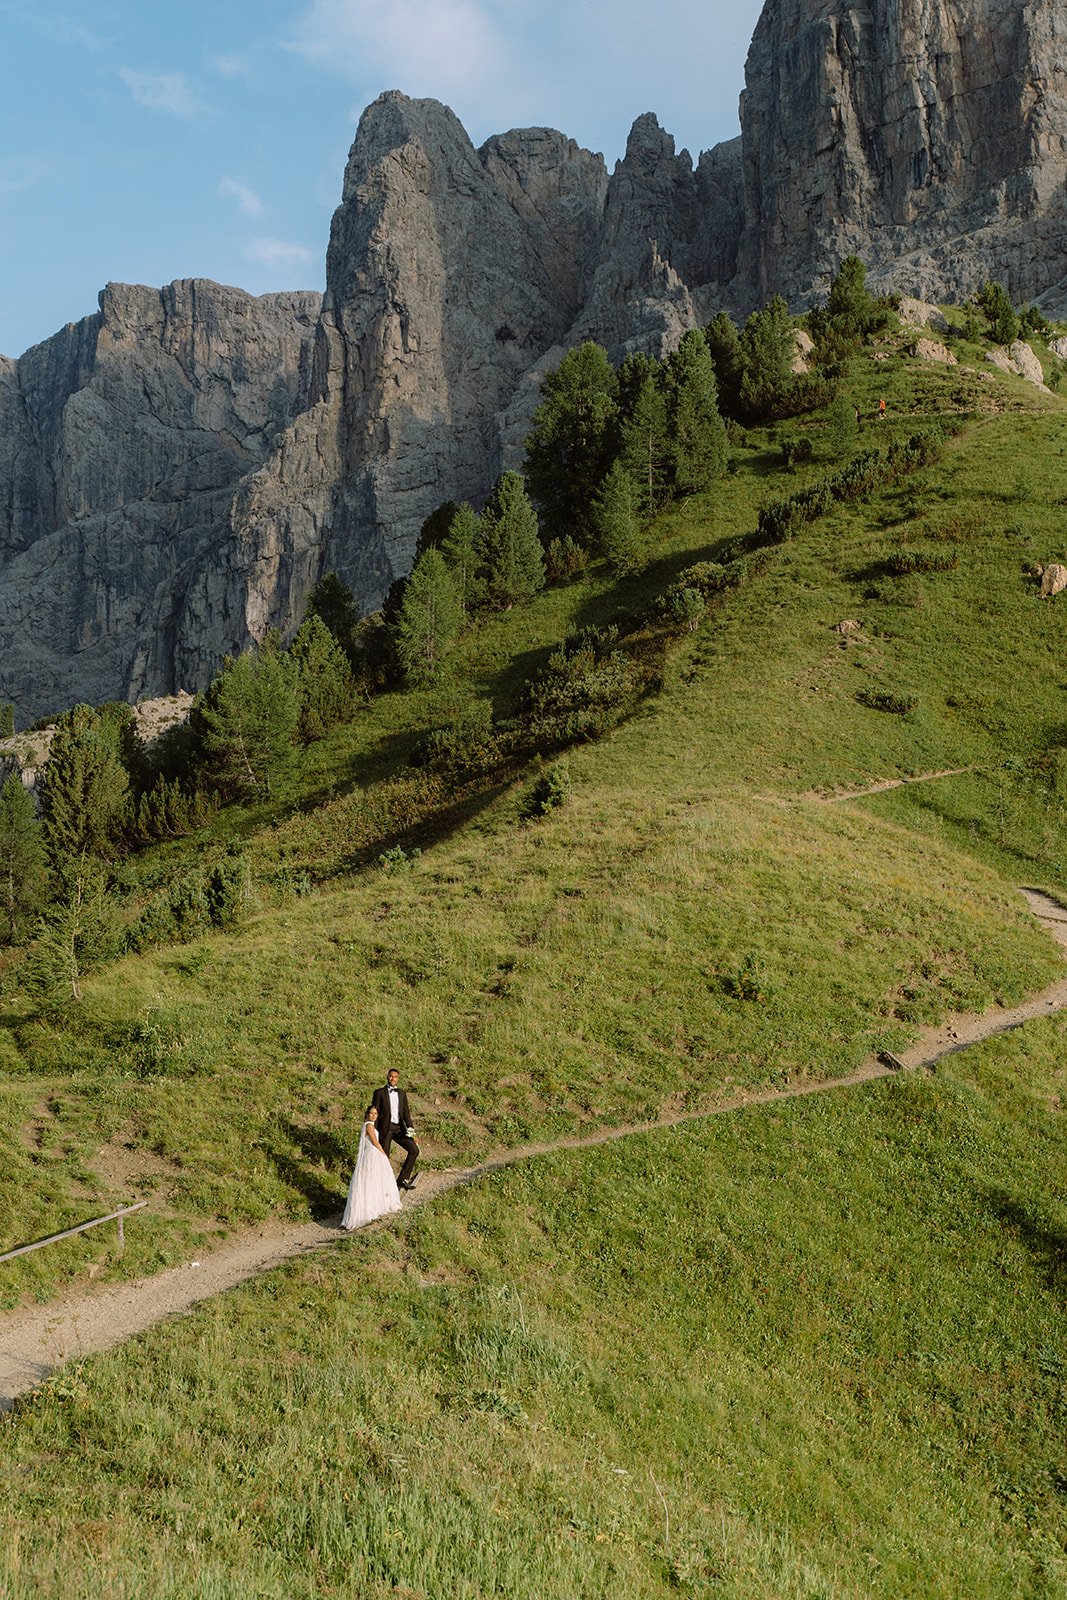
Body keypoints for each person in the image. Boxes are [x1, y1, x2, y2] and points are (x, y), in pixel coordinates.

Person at [341, 1105, 402, 1230]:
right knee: (370, 1181)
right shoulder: (368, 1125)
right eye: (371, 1113)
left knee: (374, 1181)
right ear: (367, 1114)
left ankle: (373, 1207)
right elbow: (375, 1142)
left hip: (373, 1154)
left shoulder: (371, 1126)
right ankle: (368, 1211)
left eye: (375, 1113)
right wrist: (384, 1154)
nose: (373, 1115)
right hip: (372, 1154)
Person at [371, 1068, 421, 1190]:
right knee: (384, 1157)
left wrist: (412, 1133)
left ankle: (402, 1179)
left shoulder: (402, 1093)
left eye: (395, 1077)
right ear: (387, 1077)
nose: (393, 1078)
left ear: (398, 1078)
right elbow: (374, 1113)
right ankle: (381, 1184)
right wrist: (373, 1131)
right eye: (391, 1076)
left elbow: (406, 1115)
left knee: (414, 1150)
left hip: (399, 1129)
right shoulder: (379, 1093)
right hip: (385, 1129)